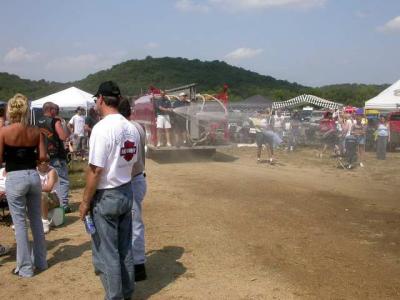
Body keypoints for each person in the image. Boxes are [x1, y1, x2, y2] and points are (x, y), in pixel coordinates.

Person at [79, 81, 140, 300]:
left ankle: (115, 297)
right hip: (125, 189)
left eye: (97, 99)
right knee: (124, 248)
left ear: (102, 99)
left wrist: (85, 202)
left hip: (107, 194)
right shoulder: (131, 127)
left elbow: (95, 170)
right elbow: (134, 163)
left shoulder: (102, 128)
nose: (96, 102)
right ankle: (127, 292)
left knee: (108, 252)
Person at [0, 93, 47, 277]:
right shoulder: (36, 131)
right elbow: (43, 157)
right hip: (33, 176)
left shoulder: (4, 131)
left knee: (20, 223)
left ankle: (25, 268)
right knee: (36, 220)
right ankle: (41, 262)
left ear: (11, 111)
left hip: (15, 176)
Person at [118, 99, 148, 281]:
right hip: (139, 177)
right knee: (135, 222)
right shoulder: (139, 127)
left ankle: (136, 264)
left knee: (131, 223)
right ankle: (137, 263)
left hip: (129, 179)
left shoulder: (124, 129)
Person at [37, 102, 71, 213]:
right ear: (51, 110)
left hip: (44, 156)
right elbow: (63, 136)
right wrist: (64, 125)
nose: (57, 112)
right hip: (57, 154)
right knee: (62, 180)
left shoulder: (38, 121)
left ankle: (47, 203)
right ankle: (64, 204)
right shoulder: (55, 121)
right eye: (56, 109)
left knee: (46, 180)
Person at [37, 158, 61, 234]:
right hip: (38, 197)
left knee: (43, 194)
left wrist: (33, 188)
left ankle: (45, 222)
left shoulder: (52, 171)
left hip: (53, 197)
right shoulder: (34, 171)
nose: (45, 162)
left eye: (47, 160)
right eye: (42, 160)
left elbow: (49, 188)